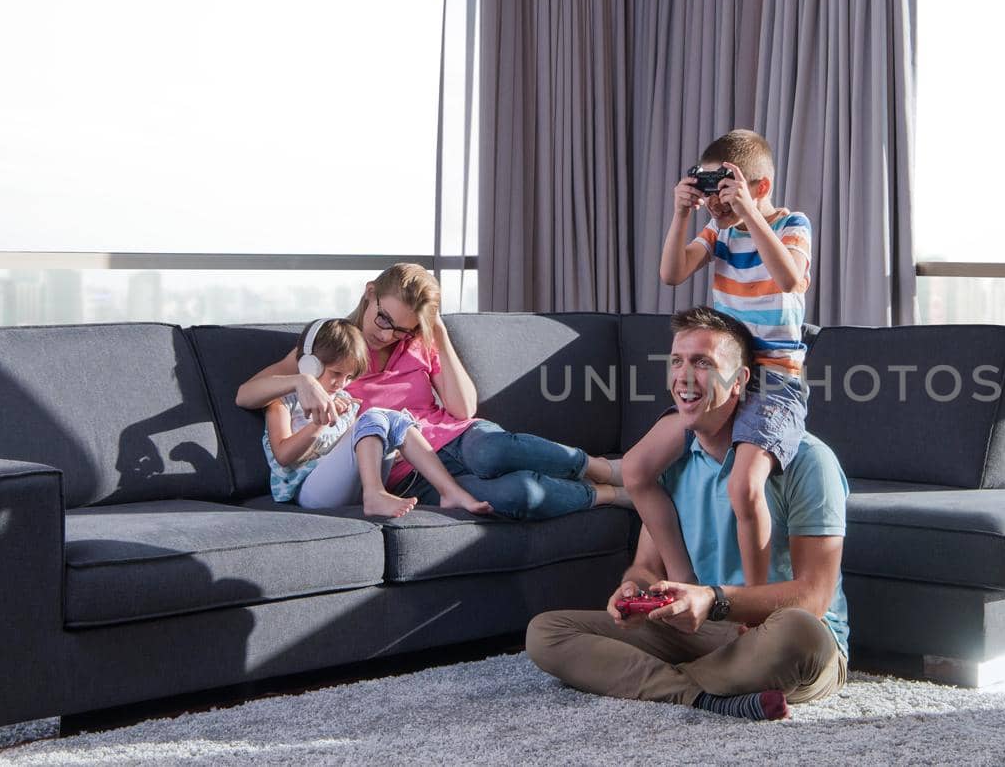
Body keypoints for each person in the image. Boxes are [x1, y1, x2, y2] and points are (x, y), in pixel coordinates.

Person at [526, 307, 849, 721]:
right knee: (546, 633)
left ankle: (655, 682)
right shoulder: (670, 464)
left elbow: (814, 597)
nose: (684, 376)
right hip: (699, 632)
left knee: (800, 634)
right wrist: (632, 591)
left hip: (771, 635)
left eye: (703, 363)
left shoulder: (808, 461)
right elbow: (645, 566)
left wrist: (714, 600)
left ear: (739, 382)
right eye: (677, 361)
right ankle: (705, 697)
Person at [237, 263, 628, 519]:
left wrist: (436, 332)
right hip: (412, 473)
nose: (387, 334)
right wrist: (301, 381)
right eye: (384, 319)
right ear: (369, 292)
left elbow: (462, 409)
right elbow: (247, 393)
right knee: (517, 496)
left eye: (402, 329)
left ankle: (603, 467)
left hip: (458, 439)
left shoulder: (420, 342)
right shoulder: (332, 350)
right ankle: (607, 494)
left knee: (493, 450)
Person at [624, 129, 814, 587]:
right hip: (721, 379)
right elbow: (671, 274)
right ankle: (683, 578)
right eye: (709, 192)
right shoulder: (717, 230)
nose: (716, 205)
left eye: (724, 193)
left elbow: (790, 279)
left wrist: (748, 213)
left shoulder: (792, 224)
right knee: (636, 470)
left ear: (759, 188)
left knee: (744, 487)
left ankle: (752, 602)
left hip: (773, 381)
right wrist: (680, 215)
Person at [261, 318, 493, 518]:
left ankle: (449, 491)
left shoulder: (345, 402)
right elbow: (283, 456)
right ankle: (374, 495)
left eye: (349, 377)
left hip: (345, 486)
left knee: (393, 418)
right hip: (306, 491)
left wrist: (392, 444)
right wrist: (319, 424)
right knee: (373, 415)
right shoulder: (283, 401)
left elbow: (353, 448)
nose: (341, 384)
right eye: (336, 374)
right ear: (308, 364)